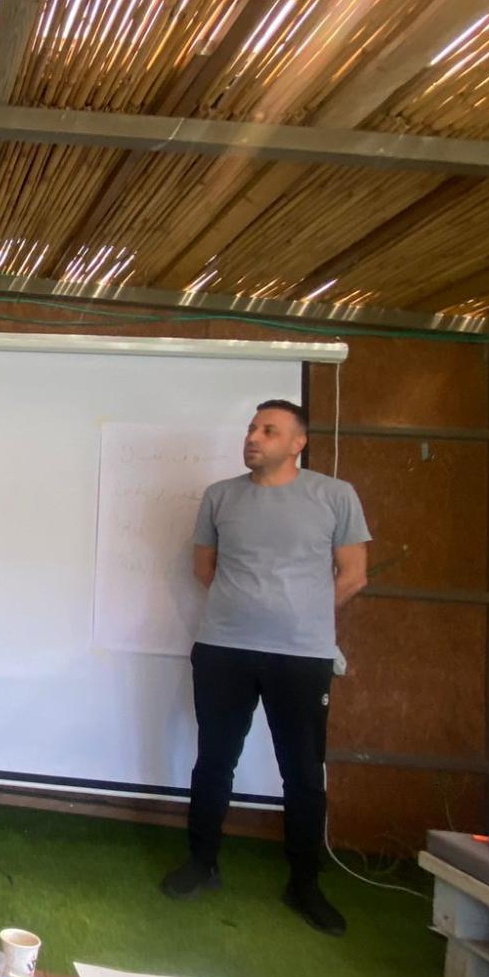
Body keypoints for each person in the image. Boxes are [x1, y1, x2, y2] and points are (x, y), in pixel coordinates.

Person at [161, 399, 369, 936]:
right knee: (214, 761)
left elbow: (353, 574)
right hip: (223, 649)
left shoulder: (334, 496)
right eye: (252, 428)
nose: (253, 437)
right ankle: (202, 864)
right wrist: (248, 611)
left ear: (298, 443)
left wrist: (302, 615)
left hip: (302, 655)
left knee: (302, 773)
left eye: (269, 430)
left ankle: (304, 883)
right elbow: (204, 568)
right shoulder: (220, 496)